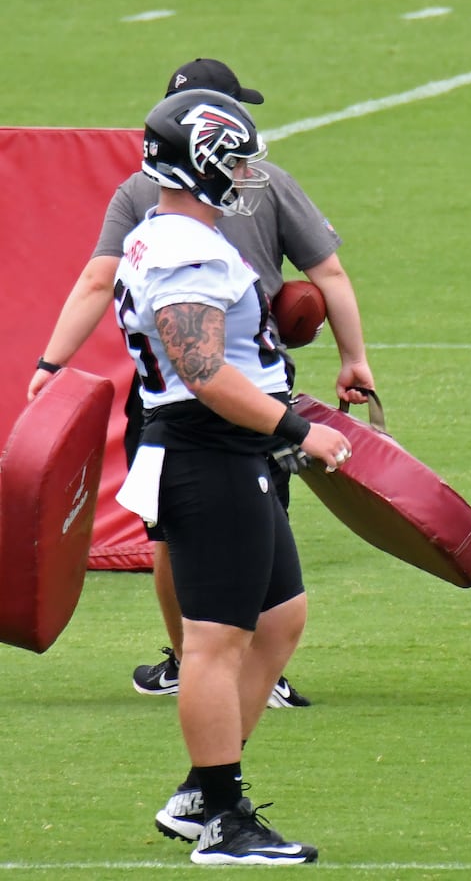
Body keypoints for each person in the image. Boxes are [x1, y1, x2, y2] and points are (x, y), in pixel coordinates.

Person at [27, 58, 374, 709]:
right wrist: (344, 368)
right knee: (248, 551)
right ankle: (219, 679)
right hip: (226, 409)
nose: (243, 168)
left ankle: (194, 662)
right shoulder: (198, 241)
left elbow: (98, 280)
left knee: (175, 542)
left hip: (166, 404)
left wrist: (50, 363)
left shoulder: (144, 207)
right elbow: (318, 282)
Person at [113, 88, 350, 862]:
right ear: (201, 163)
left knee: (280, 618)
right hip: (207, 451)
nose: (247, 173)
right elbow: (204, 371)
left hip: (222, 449)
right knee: (214, 642)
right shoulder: (187, 250)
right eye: (236, 160)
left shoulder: (163, 234)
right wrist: (297, 429)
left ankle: (201, 791)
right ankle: (222, 817)